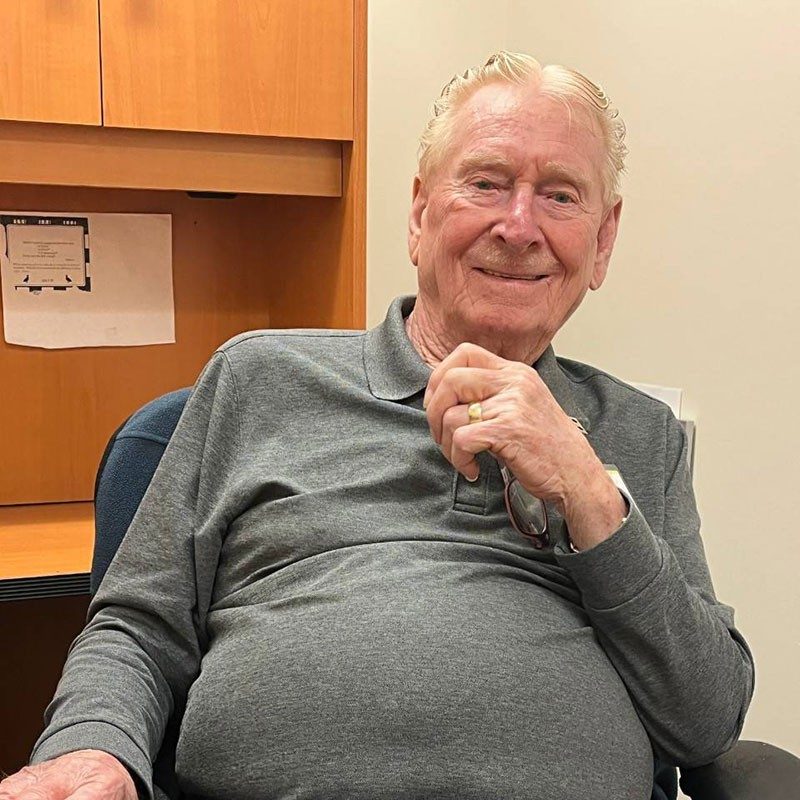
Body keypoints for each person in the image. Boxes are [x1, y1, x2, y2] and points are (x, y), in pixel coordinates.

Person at [0, 52, 754, 800]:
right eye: (486, 183)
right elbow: (138, 626)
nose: (520, 226)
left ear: (603, 240)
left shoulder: (638, 434)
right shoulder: (260, 378)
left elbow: (706, 721)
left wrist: (587, 489)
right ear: (420, 213)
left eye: (560, 196)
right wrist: (90, 749)